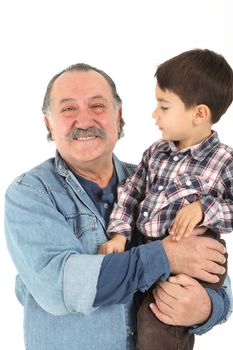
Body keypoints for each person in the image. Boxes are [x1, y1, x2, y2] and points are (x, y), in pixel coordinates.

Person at [4, 62, 231, 350]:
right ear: (49, 123)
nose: (84, 121)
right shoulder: (29, 194)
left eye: (97, 106)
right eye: (68, 109)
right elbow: (61, 286)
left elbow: (220, 284)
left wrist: (206, 308)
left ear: (118, 116)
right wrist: (166, 256)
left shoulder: (159, 184)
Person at [102, 49, 233, 349]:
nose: (154, 114)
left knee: (159, 321)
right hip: (148, 248)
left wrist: (203, 208)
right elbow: (131, 193)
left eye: (163, 106)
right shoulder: (155, 152)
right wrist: (120, 234)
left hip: (197, 256)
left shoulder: (224, 160)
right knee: (131, 313)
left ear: (199, 114)